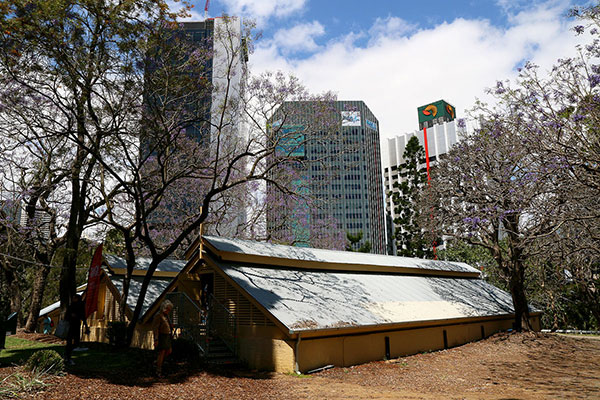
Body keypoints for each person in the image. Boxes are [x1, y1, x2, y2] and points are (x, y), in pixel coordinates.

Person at [64, 294, 89, 365]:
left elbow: (83, 316)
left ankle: (67, 354)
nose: (73, 299)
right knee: (69, 342)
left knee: (75, 342)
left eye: (74, 298)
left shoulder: (80, 306)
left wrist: (85, 325)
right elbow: (66, 316)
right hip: (70, 326)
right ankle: (68, 357)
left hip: (76, 325)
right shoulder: (71, 306)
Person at [153, 300, 173, 377]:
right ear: (164, 308)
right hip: (161, 336)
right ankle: (158, 370)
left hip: (167, 336)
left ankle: (157, 362)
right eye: (167, 309)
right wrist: (156, 339)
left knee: (168, 351)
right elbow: (156, 328)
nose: (168, 311)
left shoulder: (166, 316)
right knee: (161, 352)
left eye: (169, 309)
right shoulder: (158, 315)